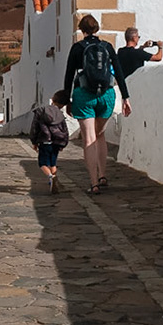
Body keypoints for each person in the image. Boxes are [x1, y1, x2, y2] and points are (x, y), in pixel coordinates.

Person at [62, 14, 130, 193]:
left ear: (82, 30)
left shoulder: (77, 48)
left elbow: (69, 75)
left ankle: (93, 183)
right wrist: (126, 97)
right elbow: (119, 73)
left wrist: (67, 100)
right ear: (97, 28)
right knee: (100, 135)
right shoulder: (107, 47)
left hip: (84, 95)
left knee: (89, 138)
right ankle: (103, 175)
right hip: (107, 95)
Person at [28, 89, 72, 193]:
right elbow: (64, 130)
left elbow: (35, 127)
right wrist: (63, 143)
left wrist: (34, 141)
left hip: (44, 141)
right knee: (53, 162)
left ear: (53, 99)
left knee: (42, 163)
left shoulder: (41, 111)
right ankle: (54, 180)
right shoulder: (60, 115)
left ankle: (50, 177)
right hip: (56, 142)